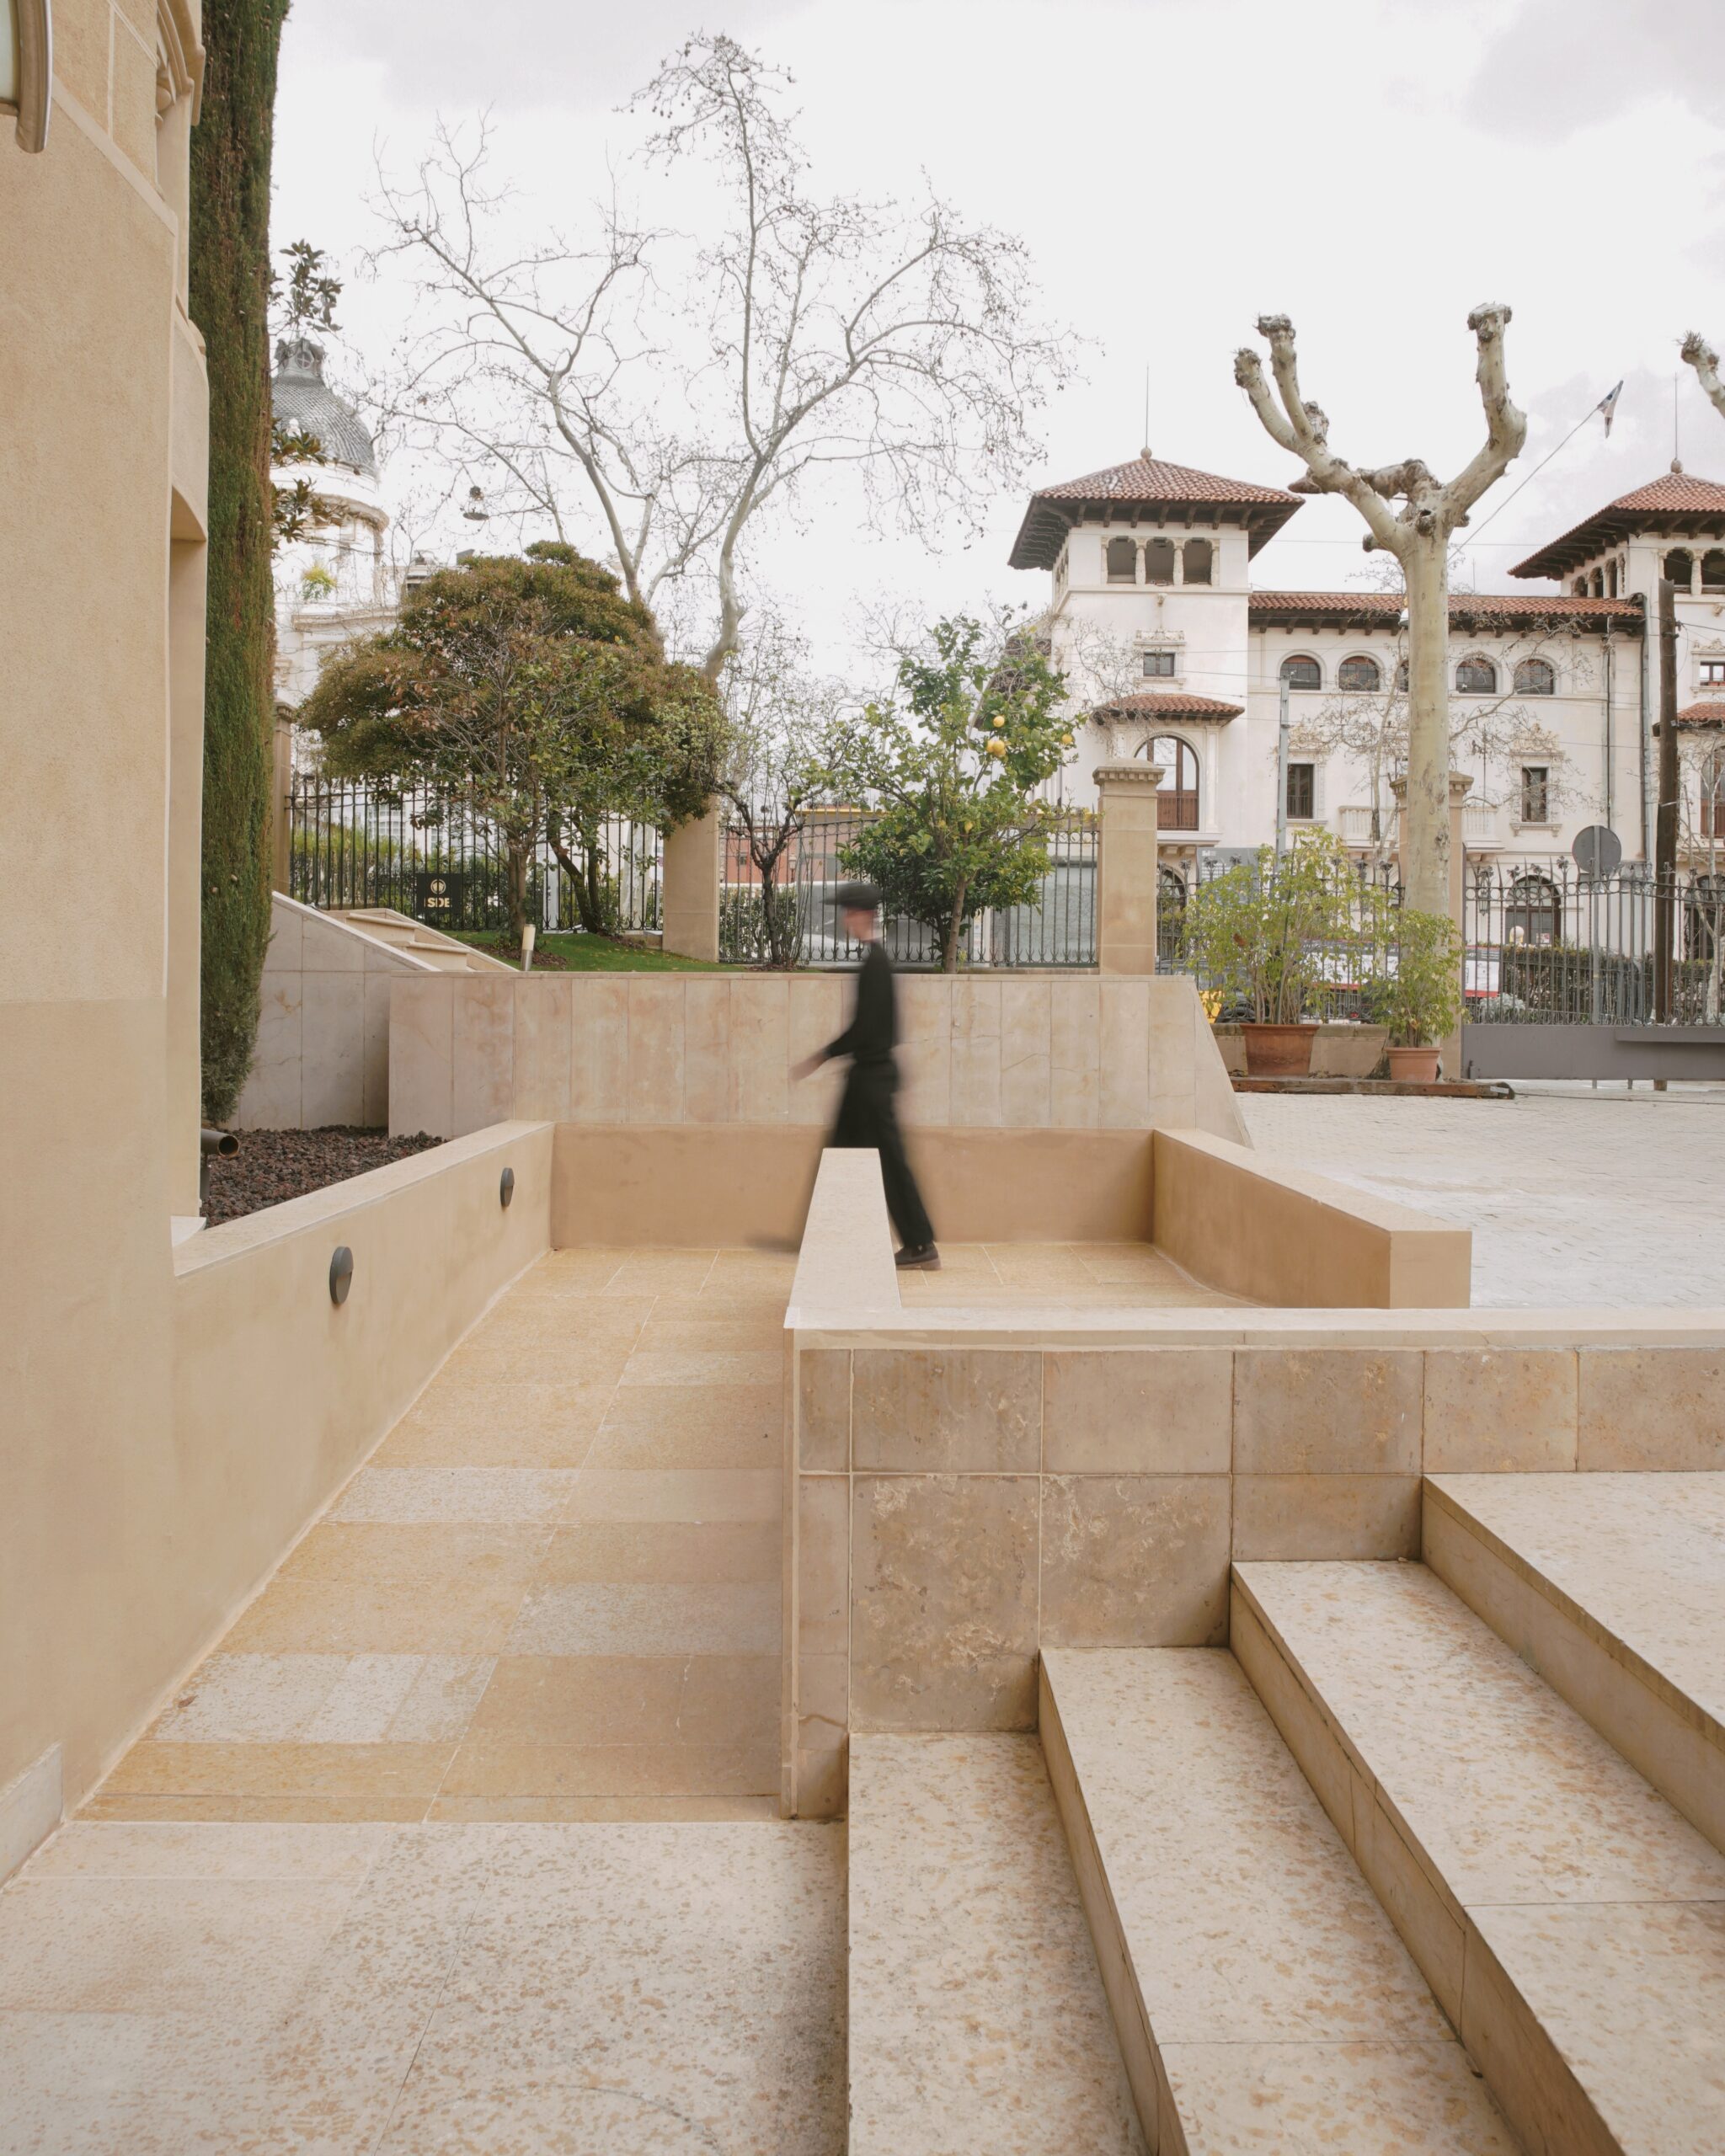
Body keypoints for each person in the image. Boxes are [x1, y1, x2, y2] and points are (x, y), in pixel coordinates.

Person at [793, 881, 939, 1269]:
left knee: (886, 1160)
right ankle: (823, 1239)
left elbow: (866, 1029)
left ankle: (920, 1244)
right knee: (844, 1153)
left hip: (871, 1079)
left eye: (847, 912)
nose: (844, 919)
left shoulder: (876, 964)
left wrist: (823, 1055)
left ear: (861, 915)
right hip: (869, 1077)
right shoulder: (875, 961)